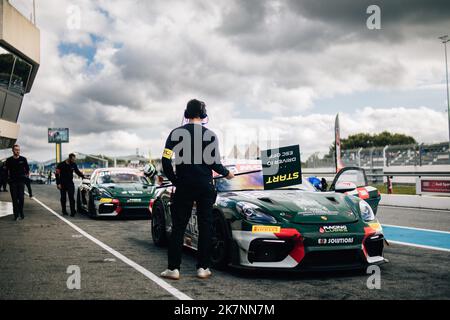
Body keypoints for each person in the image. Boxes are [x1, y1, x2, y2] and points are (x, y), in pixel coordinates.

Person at [160, 99, 234, 281]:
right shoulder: (210, 135)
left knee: (178, 227)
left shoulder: (175, 133)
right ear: (203, 115)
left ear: (186, 114)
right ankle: (203, 267)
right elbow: (214, 163)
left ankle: (173, 269)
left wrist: (175, 179)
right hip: (205, 186)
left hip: (184, 185)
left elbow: (165, 160)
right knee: (205, 226)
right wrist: (227, 173)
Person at [5, 145, 30, 221]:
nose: (17, 151)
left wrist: (25, 177)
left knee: (21, 199)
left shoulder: (23, 159)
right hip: (13, 183)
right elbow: (6, 171)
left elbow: (27, 170)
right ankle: (16, 215)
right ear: (12, 150)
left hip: (21, 182)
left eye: (18, 150)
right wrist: (8, 181)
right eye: (16, 150)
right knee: (15, 199)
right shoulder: (9, 160)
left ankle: (21, 212)